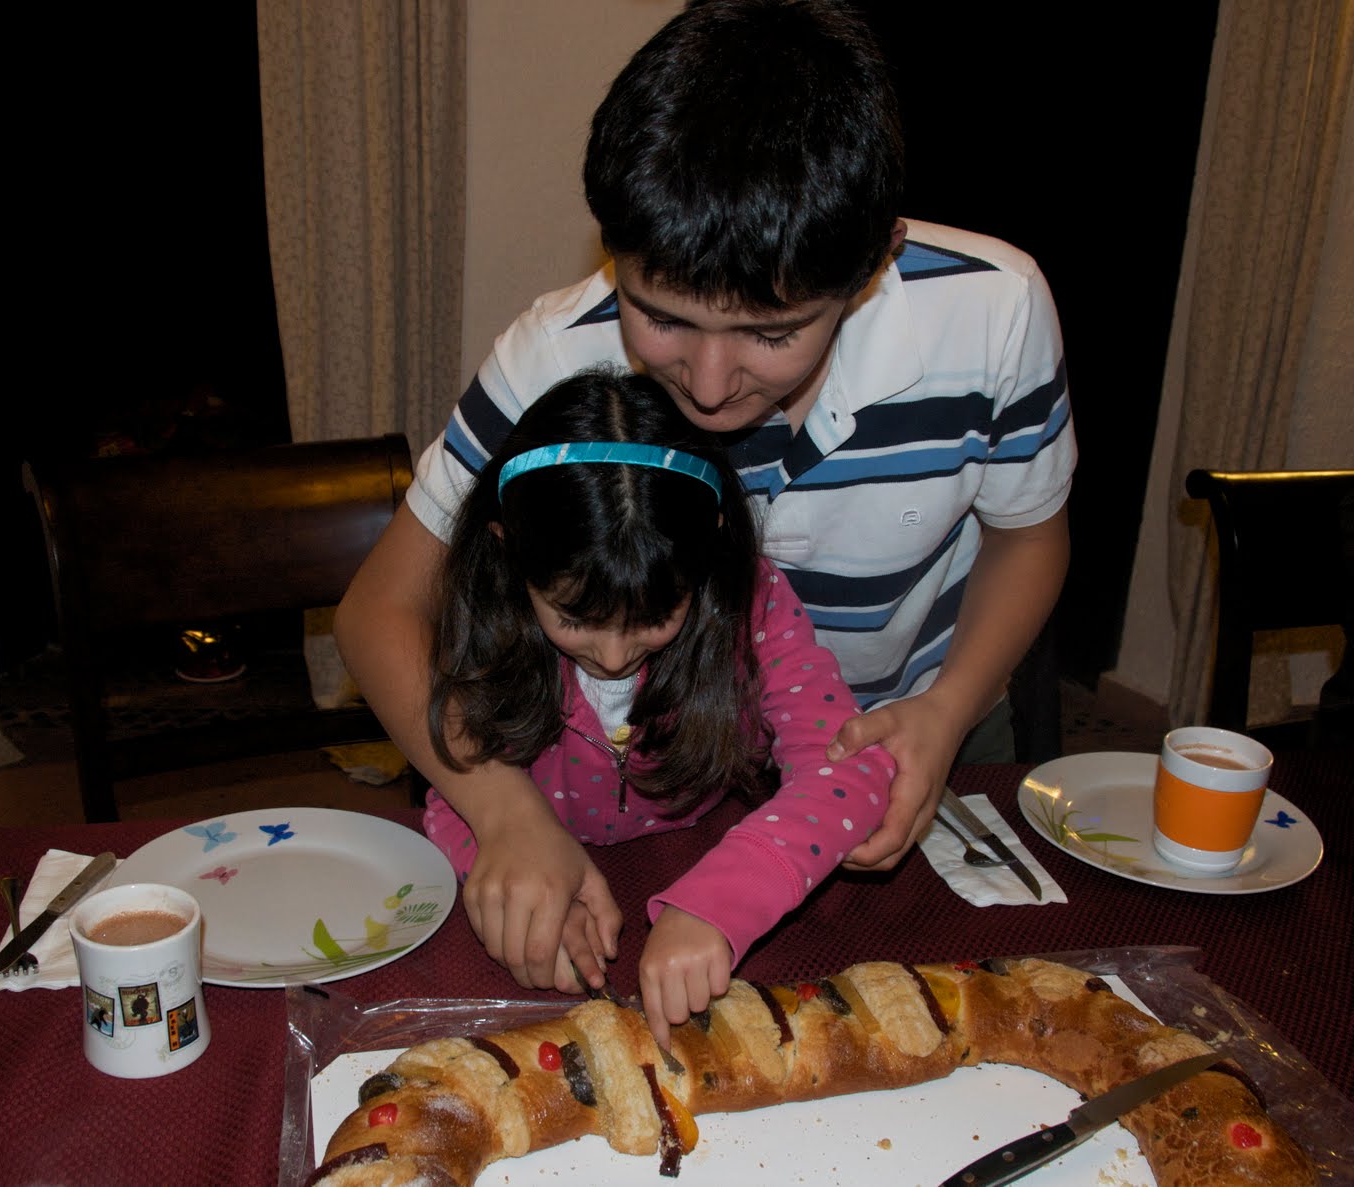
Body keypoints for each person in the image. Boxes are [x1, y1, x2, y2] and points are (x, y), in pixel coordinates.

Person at [335, 0, 1073, 999]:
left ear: (873, 263)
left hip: (922, 715)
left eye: (772, 333)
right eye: (662, 317)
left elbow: (1028, 539)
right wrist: (504, 811)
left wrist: (945, 711)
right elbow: (379, 610)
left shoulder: (996, 311)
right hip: (667, 772)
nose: (712, 386)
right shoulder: (556, 356)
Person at [423, 365, 892, 1047]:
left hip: (705, 861)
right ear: (509, 552)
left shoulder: (753, 606)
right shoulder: (485, 617)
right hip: (565, 877)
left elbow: (851, 770)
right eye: (574, 618)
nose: (614, 655)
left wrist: (724, 902)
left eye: (654, 617)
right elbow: (453, 789)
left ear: (708, 553)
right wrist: (520, 891)